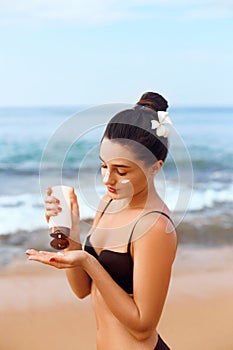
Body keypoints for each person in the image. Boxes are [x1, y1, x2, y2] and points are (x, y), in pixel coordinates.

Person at [26, 92, 177, 350]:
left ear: (155, 166)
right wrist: (72, 235)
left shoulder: (155, 227)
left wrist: (87, 261)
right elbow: (83, 289)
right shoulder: (109, 203)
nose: (108, 179)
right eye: (104, 165)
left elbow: (143, 327)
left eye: (121, 170)